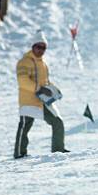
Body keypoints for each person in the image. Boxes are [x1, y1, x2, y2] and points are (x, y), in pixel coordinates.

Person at [14, 30, 69, 159]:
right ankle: (19, 153)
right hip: (28, 100)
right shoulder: (24, 62)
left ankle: (58, 150)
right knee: (25, 125)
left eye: (44, 47)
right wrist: (39, 88)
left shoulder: (43, 64)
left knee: (57, 122)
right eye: (38, 47)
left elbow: (46, 82)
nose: (41, 50)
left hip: (42, 100)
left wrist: (54, 90)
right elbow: (22, 81)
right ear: (33, 46)